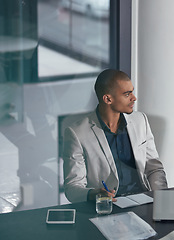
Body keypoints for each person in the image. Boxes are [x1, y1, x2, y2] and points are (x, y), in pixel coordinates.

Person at [63, 69, 168, 203]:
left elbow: (154, 169)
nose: (134, 98)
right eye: (127, 94)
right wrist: (93, 194)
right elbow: (72, 188)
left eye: (132, 91)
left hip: (143, 201)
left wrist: (162, 200)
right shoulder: (77, 133)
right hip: (108, 207)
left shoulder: (140, 120)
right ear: (108, 99)